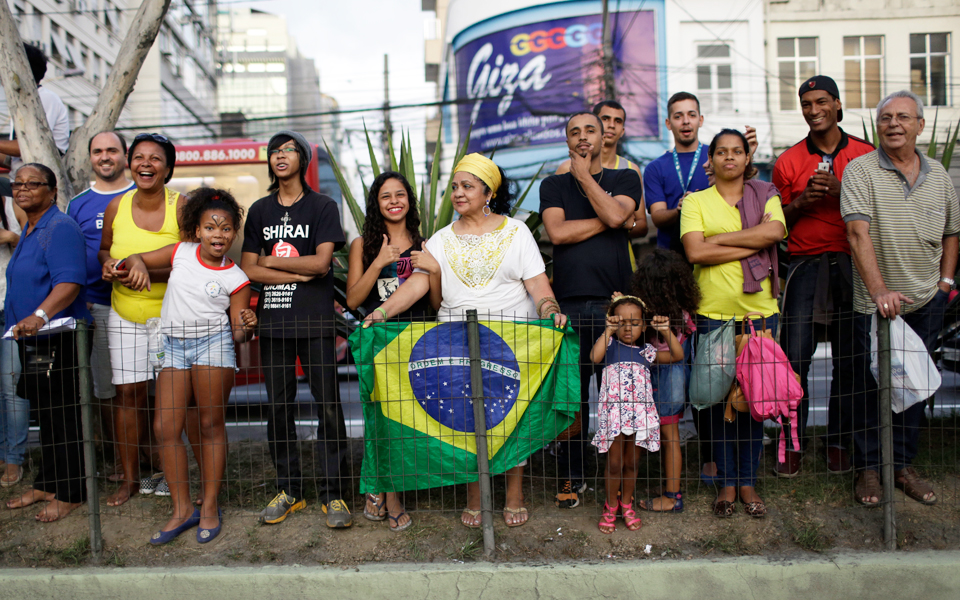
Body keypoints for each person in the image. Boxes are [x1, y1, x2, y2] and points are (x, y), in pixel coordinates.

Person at [365, 152, 566, 528]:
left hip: (511, 343)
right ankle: (475, 496)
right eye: (455, 186)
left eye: (467, 186)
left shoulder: (517, 232)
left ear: (489, 193)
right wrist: (381, 313)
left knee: (513, 416)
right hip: (457, 345)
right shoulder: (440, 240)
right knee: (469, 420)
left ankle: (514, 495)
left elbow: (538, 285)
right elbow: (417, 285)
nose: (458, 193)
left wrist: (549, 308)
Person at [840, 90, 959, 507]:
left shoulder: (939, 176)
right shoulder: (860, 170)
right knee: (870, 386)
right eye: (886, 117)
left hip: (926, 300)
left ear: (920, 126)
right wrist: (879, 292)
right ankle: (869, 469)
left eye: (903, 117)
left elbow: (952, 232)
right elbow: (857, 233)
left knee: (915, 384)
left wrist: (944, 284)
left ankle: (903, 466)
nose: (893, 124)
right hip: (874, 305)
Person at [121, 188, 256, 544]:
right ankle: (181, 510)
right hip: (172, 346)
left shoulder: (237, 278)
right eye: (210, 227)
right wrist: (136, 264)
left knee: (210, 424)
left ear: (233, 234)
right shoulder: (180, 252)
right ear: (197, 230)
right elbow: (135, 257)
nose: (218, 235)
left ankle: (209, 506)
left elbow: (239, 334)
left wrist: (247, 326)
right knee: (165, 427)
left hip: (213, 346)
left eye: (226, 228)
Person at [644, 92, 758, 484]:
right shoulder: (657, 167)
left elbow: (741, 201)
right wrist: (686, 206)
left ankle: (713, 456)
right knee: (679, 367)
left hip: (715, 273)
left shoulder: (717, 158)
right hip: (672, 280)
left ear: (701, 119)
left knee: (715, 368)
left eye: (691, 114)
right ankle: (672, 458)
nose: (685, 121)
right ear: (669, 123)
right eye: (678, 116)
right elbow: (658, 217)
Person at [241, 130, 350, 528]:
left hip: (316, 322)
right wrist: (295, 272)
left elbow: (321, 264)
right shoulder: (259, 210)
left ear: (303, 159)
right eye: (275, 150)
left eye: (289, 149)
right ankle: (289, 490)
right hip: (274, 324)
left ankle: (334, 494)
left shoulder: (322, 206)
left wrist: (272, 261)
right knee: (278, 409)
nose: (281, 155)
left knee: (329, 406)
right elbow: (249, 268)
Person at [681, 129, 787, 518]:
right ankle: (726, 482)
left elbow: (775, 232)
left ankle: (747, 482)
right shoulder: (696, 201)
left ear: (747, 158)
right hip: (713, 316)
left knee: (754, 401)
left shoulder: (766, 193)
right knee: (715, 403)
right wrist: (750, 241)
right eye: (722, 152)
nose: (729, 157)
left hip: (759, 314)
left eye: (737, 151)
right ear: (710, 160)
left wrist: (719, 241)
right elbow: (695, 251)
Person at [773, 76, 874, 478]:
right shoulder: (788, 160)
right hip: (805, 264)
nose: (813, 110)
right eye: (806, 104)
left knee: (851, 360)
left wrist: (839, 190)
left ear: (836, 104)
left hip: (852, 263)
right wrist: (802, 202)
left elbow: (878, 212)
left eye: (820, 102)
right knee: (795, 358)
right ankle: (792, 442)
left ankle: (838, 442)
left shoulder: (865, 154)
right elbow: (776, 224)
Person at [539, 112, 642, 509]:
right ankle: (571, 475)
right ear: (567, 140)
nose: (582, 137)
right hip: (567, 307)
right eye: (574, 132)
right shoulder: (552, 185)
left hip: (614, 306)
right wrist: (612, 219)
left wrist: (586, 180)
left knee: (617, 397)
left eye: (590, 131)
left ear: (604, 137)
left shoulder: (625, 177)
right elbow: (558, 233)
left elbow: (619, 214)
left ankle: (619, 481)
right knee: (572, 399)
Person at [99, 133, 186, 506]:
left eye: (155, 158)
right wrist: (109, 265)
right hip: (124, 314)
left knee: (171, 401)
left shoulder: (181, 207)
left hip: (171, 318)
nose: (145, 164)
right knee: (128, 395)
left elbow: (191, 261)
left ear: (167, 168)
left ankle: (172, 474)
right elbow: (105, 249)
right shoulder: (116, 206)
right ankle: (130, 478)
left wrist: (145, 271)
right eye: (139, 157)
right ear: (129, 163)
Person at [3, 163, 90, 522]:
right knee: (47, 415)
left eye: (33, 184)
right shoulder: (31, 226)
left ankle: (71, 492)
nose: (22, 189)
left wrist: (39, 315)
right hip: (33, 338)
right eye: (17, 184)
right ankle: (48, 483)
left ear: (52, 191)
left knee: (63, 415)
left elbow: (70, 282)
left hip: (58, 336)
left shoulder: (60, 227)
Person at [346, 171, 427, 532]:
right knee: (382, 419)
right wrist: (378, 261)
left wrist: (434, 270)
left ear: (409, 200)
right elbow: (353, 300)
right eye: (385, 196)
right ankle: (391, 498)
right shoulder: (362, 245)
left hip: (416, 340)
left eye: (400, 194)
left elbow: (434, 301)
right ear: (376, 204)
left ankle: (377, 488)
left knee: (409, 419)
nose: (394, 201)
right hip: (379, 343)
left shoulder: (424, 244)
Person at [67, 131, 136, 482]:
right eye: (97, 151)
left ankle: (154, 459)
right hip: (98, 307)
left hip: (144, 305)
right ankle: (124, 464)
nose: (105, 156)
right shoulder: (77, 204)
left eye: (112, 150)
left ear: (125, 155)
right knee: (108, 391)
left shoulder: (142, 194)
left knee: (146, 389)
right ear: (90, 157)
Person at [591, 294, 683, 533]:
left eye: (634, 323)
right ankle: (610, 506)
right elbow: (593, 357)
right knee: (614, 463)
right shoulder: (609, 346)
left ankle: (626, 504)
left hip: (640, 416)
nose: (627, 328)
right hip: (615, 416)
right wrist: (608, 330)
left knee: (632, 462)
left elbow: (677, 355)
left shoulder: (647, 352)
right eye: (621, 322)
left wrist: (665, 331)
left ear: (643, 326)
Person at [632, 249, 701, 513]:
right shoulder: (682, 313)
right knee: (670, 436)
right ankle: (672, 495)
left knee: (639, 435)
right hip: (672, 378)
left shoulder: (647, 315)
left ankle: (626, 493)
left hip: (658, 376)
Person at [555, 100, 648, 257]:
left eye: (617, 121)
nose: (611, 125)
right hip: (579, 260)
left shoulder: (631, 170)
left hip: (621, 261)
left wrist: (619, 220)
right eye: (605, 119)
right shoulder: (566, 169)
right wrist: (619, 221)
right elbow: (558, 228)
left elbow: (641, 225)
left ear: (623, 131)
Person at [0, 44, 70, 173]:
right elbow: (14, 160)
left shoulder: (43, 98)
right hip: (20, 178)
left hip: (40, 180)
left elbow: (30, 145)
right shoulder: (22, 102)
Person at [0, 182, 28, 487]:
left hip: (11, 310)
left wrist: (11, 237)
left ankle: (14, 457)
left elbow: (37, 249)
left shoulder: (12, 204)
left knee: (12, 387)